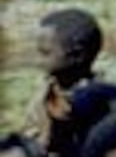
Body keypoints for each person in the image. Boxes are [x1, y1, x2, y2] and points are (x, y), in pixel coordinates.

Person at [25, 8, 103, 143]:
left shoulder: (94, 100)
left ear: (78, 55)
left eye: (46, 53)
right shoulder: (47, 91)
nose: (38, 61)